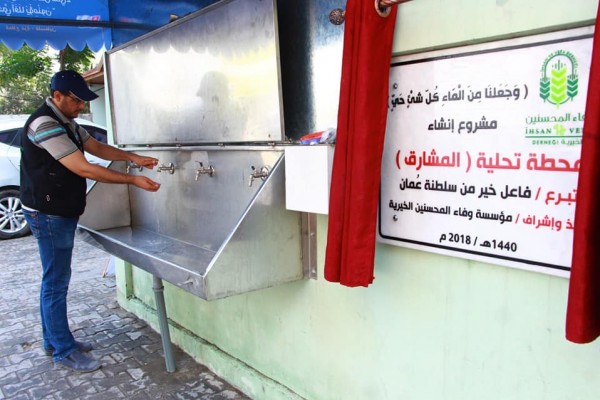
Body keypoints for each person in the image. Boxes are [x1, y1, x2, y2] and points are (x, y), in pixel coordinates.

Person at [20, 70, 161, 373]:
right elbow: (83, 168)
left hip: (58, 209)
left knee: (54, 279)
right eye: (76, 100)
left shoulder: (67, 121)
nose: (81, 106)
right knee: (56, 282)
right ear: (57, 96)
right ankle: (63, 350)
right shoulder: (45, 124)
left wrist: (132, 157)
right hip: (49, 214)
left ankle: (53, 341)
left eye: (83, 101)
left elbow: (97, 147)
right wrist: (132, 180)